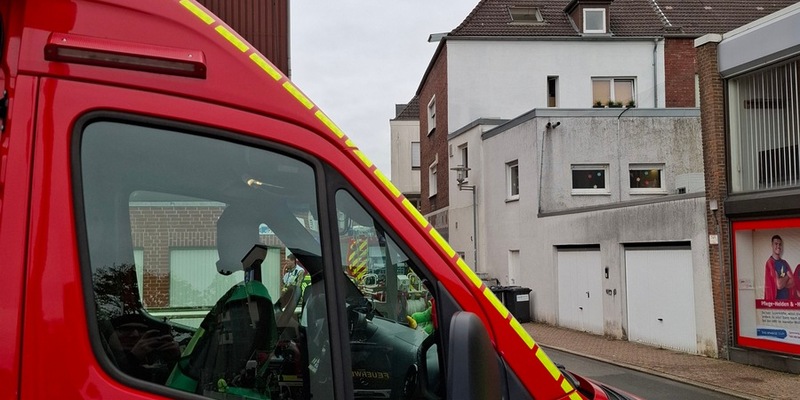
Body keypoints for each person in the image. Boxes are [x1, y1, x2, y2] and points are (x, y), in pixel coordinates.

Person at [111, 314, 181, 383]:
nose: (135, 335)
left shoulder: (156, 358)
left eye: (141, 330)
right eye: (126, 329)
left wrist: (175, 360)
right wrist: (133, 358)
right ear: (111, 333)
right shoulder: (103, 357)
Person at [764, 235, 795, 300]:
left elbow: (793, 282)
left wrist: (782, 281)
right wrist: (787, 277)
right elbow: (779, 285)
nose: (778, 246)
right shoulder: (770, 263)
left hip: (787, 302)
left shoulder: (784, 263)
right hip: (775, 303)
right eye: (776, 244)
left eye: (780, 244)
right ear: (772, 245)